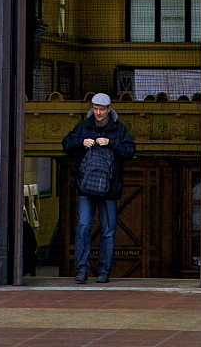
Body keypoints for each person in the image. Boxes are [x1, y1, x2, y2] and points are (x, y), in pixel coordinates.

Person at [62, 92, 135, 284]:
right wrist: (80, 141)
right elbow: (66, 144)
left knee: (108, 230)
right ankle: (82, 270)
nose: (98, 113)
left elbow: (130, 151)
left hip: (109, 189)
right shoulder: (83, 126)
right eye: (95, 109)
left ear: (109, 109)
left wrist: (111, 143)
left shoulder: (118, 129)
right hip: (87, 187)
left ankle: (104, 272)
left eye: (102, 110)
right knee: (84, 227)